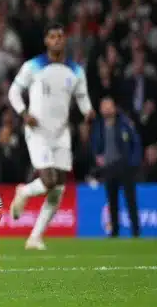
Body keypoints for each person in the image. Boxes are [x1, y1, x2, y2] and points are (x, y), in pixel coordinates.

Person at [7, 22, 95, 250]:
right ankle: (24, 191)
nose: (57, 40)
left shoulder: (75, 70)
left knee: (58, 188)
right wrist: (24, 113)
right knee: (48, 180)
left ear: (64, 40)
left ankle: (35, 237)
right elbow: (14, 91)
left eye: (60, 36)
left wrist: (88, 112)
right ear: (46, 41)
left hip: (61, 133)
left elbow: (82, 97)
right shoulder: (33, 66)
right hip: (38, 131)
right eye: (52, 36)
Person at [91, 97, 142, 237]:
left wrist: (133, 163)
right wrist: (97, 155)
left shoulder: (124, 123)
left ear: (114, 108)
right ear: (101, 109)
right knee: (112, 201)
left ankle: (136, 231)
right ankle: (114, 231)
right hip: (108, 167)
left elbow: (135, 142)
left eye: (109, 106)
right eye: (104, 106)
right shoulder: (99, 125)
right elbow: (95, 143)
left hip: (124, 166)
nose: (106, 109)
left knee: (130, 200)